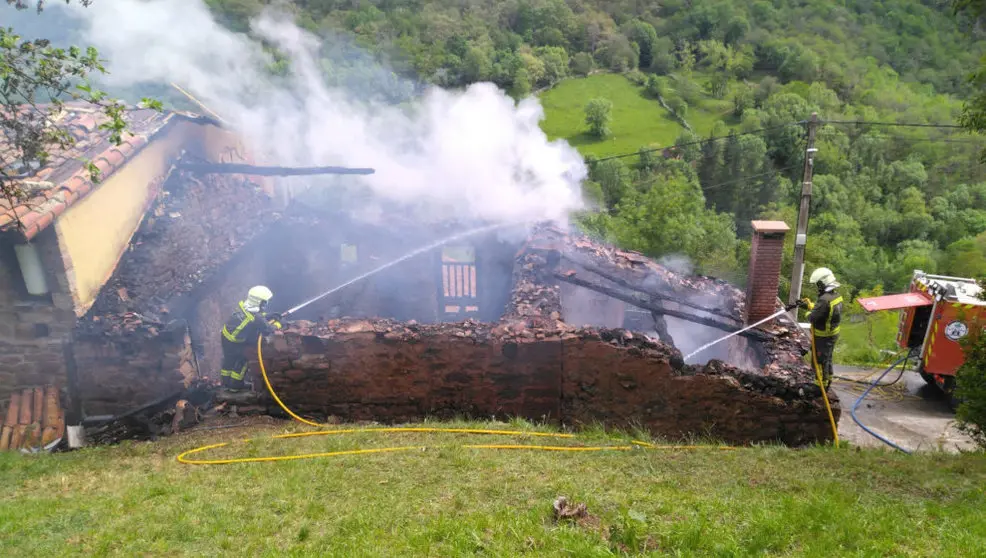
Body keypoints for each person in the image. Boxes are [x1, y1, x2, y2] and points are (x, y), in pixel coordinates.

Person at [220, 285, 282, 390]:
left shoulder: (245, 306)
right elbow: (268, 329)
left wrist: (269, 315)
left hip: (226, 337)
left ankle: (226, 384)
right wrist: (278, 324)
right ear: (259, 302)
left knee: (228, 361)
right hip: (236, 342)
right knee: (242, 360)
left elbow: (257, 316)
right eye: (264, 302)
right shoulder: (256, 317)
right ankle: (236, 386)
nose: (266, 304)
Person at [800, 267, 843, 390]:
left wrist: (808, 313)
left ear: (823, 282)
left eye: (818, 284)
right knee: (827, 359)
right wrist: (810, 306)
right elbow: (824, 311)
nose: (817, 287)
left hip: (823, 337)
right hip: (832, 334)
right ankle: (828, 381)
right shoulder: (836, 296)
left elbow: (813, 317)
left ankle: (819, 387)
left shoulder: (824, 300)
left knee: (818, 361)